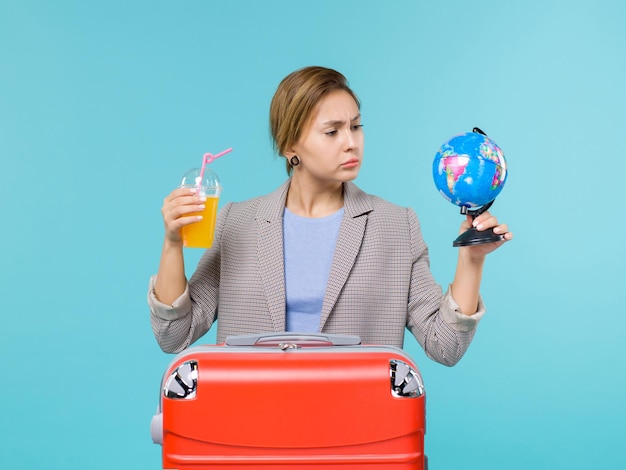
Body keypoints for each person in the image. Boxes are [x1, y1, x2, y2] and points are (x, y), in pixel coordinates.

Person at [148, 66, 512, 366]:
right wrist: (172, 243)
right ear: (291, 146)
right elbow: (173, 335)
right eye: (332, 131)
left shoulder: (395, 225)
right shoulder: (236, 222)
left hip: (357, 434)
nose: (351, 142)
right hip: (254, 429)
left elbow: (445, 346)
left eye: (355, 126)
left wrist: (471, 259)